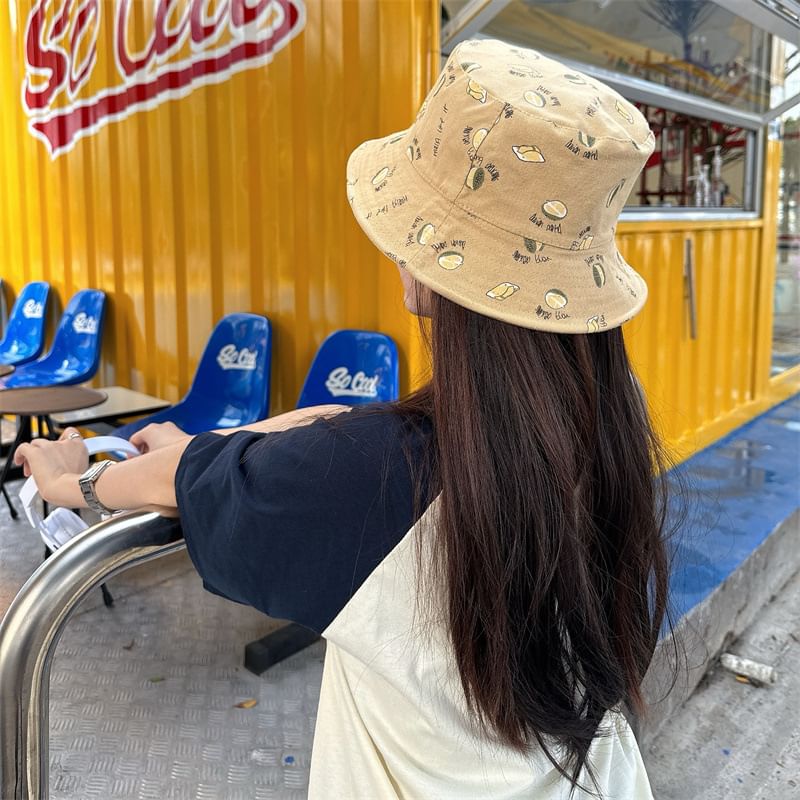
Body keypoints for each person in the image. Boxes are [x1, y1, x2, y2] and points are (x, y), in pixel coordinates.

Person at [17, 39, 672, 799]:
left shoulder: (376, 479)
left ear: (427, 263)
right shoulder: (602, 426)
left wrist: (77, 485)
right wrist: (224, 438)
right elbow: (317, 437)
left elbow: (209, 480)